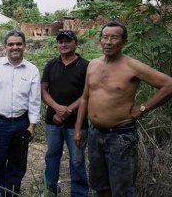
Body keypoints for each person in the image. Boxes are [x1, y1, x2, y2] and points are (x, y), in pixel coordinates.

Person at [74, 21, 172, 197]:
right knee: (100, 186)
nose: (108, 42)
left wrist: (142, 108)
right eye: (105, 37)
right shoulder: (93, 65)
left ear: (124, 42)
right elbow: (85, 98)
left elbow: (168, 85)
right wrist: (78, 130)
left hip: (120, 136)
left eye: (114, 37)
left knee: (122, 189)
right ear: (100, 40)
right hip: (95, 133)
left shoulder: (132, 66)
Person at [0, 30, 41, 196]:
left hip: (22, 123)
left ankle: (11, 194)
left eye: (19, 44)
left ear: (24, 46)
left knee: (18, 165)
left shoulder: (32, 70)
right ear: (5, 47)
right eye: (11, 44)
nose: (15, 47)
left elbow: (34, 100)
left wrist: (32, 125)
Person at [41, 30, 89, 196]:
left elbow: (87, 94)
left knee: (77, 159)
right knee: (51, 156)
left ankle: (79, 193)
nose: (63, 44)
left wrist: (68, 110)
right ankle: (49, 190)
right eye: (60, 42)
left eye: (67, 41)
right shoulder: (51, 65)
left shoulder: (86, 66)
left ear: (76, 43)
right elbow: (43, 90)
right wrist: (57, 108)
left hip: (77, 123)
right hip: (52, 121)